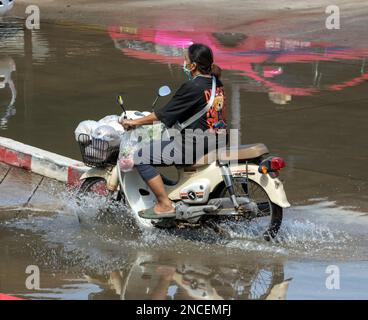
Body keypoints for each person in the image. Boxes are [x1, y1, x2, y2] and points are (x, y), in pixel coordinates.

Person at [121, 43, 226, 219]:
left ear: (193, 65)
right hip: (218, 140)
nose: (183, 64)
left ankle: (164, 204)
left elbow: (164, 113)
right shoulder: (217, 83)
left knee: (141, 156)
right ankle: (172, 190)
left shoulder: (193, 87)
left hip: (195, 144)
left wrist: (135, 121)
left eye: (185, 60)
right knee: (159, 149)